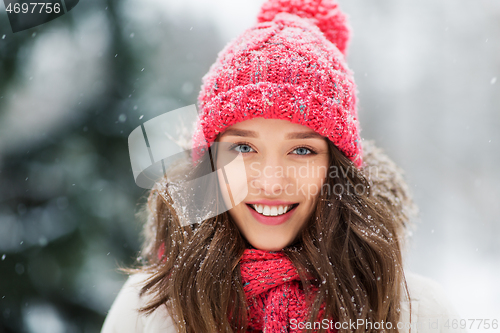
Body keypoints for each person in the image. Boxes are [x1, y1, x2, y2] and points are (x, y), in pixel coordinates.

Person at [101, 0, 465, 332]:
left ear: (335, 168)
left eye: (302, 151)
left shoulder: (417, 313)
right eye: (244, 147)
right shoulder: (149, 309)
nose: (271, 183)